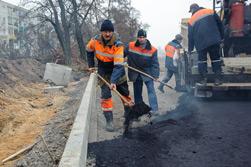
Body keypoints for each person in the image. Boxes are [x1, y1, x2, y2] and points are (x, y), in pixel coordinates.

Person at [86, 19, 133, 132]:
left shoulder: (118, 44)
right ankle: (109, 121)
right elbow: (88, 50)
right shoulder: (95, 41)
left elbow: (118, 65)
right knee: (105, 96)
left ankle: (129, 114)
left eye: (109, 32)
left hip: (117, 70)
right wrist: (91, 65)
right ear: (101, 32)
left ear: (112, 32)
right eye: (105, 31)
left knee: (125, 94)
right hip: (103, 71)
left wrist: (113, 81)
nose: (107, 34)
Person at [124, 29, 160, 115]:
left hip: (147, 73)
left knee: (151, 90)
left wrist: (155, 75)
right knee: (137, 92)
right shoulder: (130, 45)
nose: (142, 39)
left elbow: (155, 63)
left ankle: (154, 109)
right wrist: (118, 60)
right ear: (137, 38)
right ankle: (139, 109)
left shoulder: (153, 49)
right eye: (140, 37)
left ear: (146, 38)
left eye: (144, 37)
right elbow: (121, 54)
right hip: (135, 73)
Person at [188, 3, 224, 86]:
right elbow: (220, 24)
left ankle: (204, 80)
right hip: (214, 40)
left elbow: (191, 36)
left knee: (202, 61)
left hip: (201, 43)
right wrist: (221, 37)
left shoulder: (191, 20)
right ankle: (217, 79)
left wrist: (190, 49)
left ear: (192, 10)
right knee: (216, 59)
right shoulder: (211, 11)